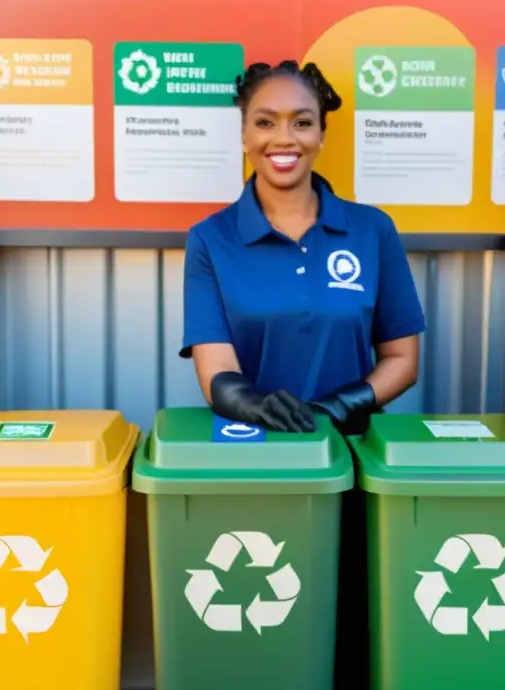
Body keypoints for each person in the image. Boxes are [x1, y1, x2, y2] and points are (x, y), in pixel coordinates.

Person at [180, 59, 426, 436]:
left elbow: (402, 359)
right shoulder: (210, 239)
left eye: (302, 122)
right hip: (251, 451)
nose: (284, 138)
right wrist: (259, 407)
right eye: (265, 122)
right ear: (244, 136)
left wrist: (339, 407)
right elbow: (216, 371)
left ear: (322, 135)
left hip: (352, 456)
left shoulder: (373, 230)